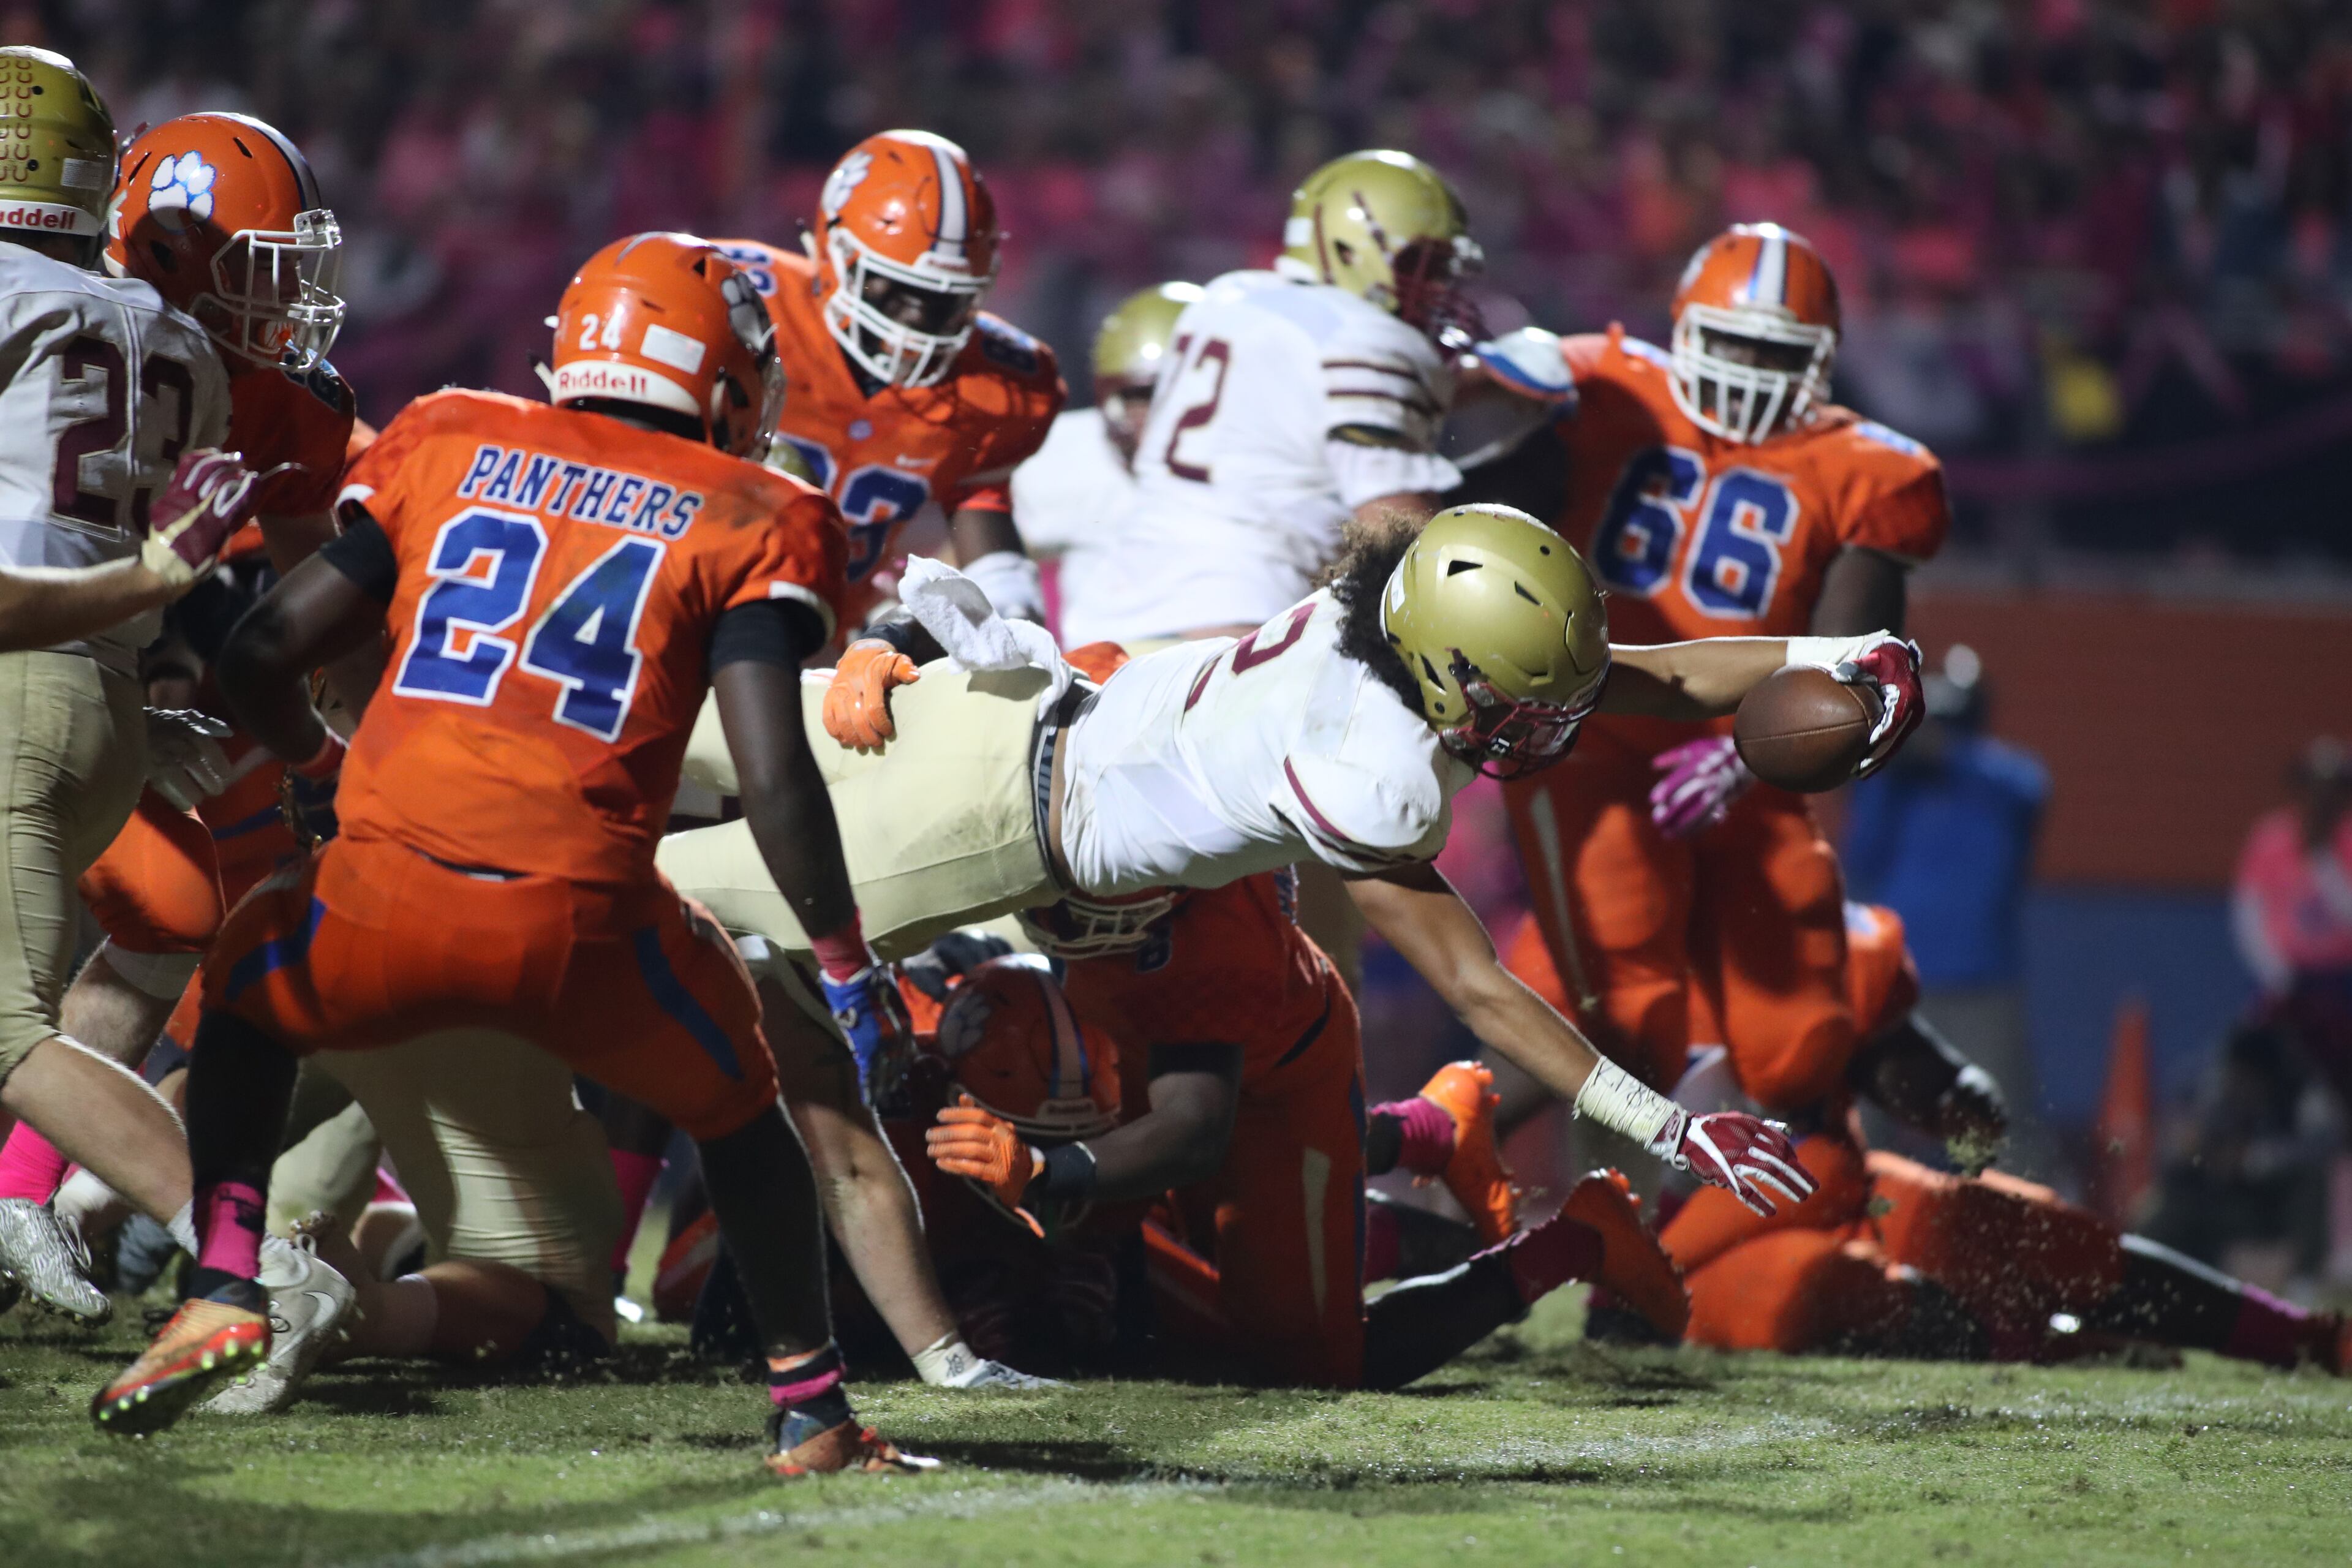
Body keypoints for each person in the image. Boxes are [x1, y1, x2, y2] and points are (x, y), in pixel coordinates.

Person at [89, 232, 932, 1479]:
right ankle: (811, 1410)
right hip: (583, 925)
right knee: (744, 1108)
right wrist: (849, 964)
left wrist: (319, 772)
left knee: (252, 988)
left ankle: (222, 1283)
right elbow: (774, 773)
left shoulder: (449, 434)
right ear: (721, 377)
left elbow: (262, 650)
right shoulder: (759, 510)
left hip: (382, 895)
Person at [660, 501, 1926, 1216]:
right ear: (1448, 666)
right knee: (622, 900)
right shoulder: (1377, 777)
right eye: (1519, 705)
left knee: (618, 740)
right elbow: (1480, 988)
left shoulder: (1367, 602)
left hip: (975, 709)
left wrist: (1843, 655)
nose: (1544, 730)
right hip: (978, 828)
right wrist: (1671, 1125)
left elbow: (1641, 678)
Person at [0, 111, 362, 1321]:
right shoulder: (93, 326)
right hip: (75, 671)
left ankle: (25, 1193)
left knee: (170, 909)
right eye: (258, 267)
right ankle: (234, 1256)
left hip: (73, 674)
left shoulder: (225, 377)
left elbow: (316, 606)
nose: (286, 299)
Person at [1471, 224, 1948, 1136]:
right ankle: (1519, 1160)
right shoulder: (1613, 389)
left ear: (1821, 360)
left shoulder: (1867, 469)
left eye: (1777, 352)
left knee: (1799, 1052)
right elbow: (1474, 492)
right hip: (1596, 732)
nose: (1750, 371)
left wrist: (1751, 755)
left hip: (1743, 751)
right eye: (1732, 342)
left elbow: (1857, 659)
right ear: (1685, 328)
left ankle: (1861, 965)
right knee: (1627, 1017)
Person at [926, 884, 1691, 1389]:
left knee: (1300, 1354)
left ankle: (1574, 1240)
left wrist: (1049, 1170)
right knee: (1151, 1228)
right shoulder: (1095, 840)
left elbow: (1193, 1131)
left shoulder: (1203, 944)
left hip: (1269, 1081)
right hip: (1146, 1048)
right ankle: (1421, 1130)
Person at [1577, 902, 2350, 1373]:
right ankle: (2046, 1345)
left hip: (1831, 1190)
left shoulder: (1826, 945)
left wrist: (1958, 1097)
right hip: (1702, 1256)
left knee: (2018, 1227)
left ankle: (2302, 1338)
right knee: (1820, 1282)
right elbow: (1626, 1245)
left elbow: (1921, 1078)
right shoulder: (1631, 972)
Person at [712, 129, 1063, 627]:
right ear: (835, 252)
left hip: (836, 636)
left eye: (944, 300)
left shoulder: (995, 383)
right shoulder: (737, 300)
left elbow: (982, 509)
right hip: (705, 594)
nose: (915, 320)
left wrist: (1011, 613)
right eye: (894, 288)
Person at [1841, 643, 2051, 1173]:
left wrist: (1947, 755)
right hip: (1899, 981)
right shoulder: (1896, 784)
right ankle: (1856, 1209)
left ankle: (2015, 1213)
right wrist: (1888, 764)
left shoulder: (2003, 779)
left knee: (2001, 1123)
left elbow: (2030, 790)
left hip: (1981, 985)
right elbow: (1862, 854)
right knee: (1863, 1115)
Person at [1009, 282, 1202, 632]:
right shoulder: (1067, 458)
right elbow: (977, 563)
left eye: (1189, 395)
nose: (1169, 415)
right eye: (1147, 395)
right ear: (1112, 400)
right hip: (1112, 663)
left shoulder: (1272, 469)